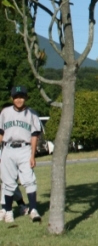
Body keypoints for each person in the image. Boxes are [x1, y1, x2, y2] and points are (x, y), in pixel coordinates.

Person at [0, 86, 42, 222]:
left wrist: (32, 155)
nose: (19, 100)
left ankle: (33, 210)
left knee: (29, 180)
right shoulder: (5, 112)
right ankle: (8, 211)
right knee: (8, 182)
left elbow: (34, 136)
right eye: (16, 97)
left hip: (25, 148)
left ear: (26, 98)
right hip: (8, 148)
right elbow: (1, 133)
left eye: (22, 97)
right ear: (12, 98)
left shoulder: (32, 114)